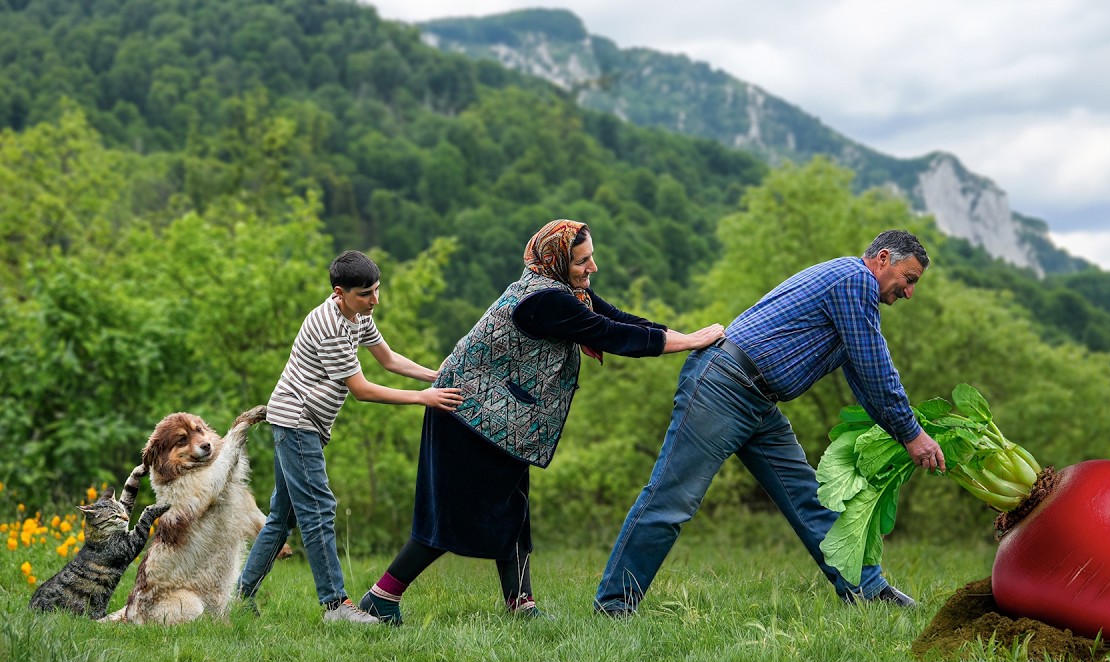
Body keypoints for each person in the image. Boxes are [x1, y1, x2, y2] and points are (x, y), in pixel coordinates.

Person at [357, 219, 724, 624]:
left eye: (591, 257)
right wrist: (690, 342)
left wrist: (689, 334)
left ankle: (521, 603)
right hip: (465, 413)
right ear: (557, 260)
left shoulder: (563, 290)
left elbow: (621, 319)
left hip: (502, 418)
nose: (593, 267)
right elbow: (611, 336)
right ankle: (381, 598)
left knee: (512, 506)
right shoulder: (546, 300)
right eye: (583, 260)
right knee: (453, 513)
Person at [594, 229, 946, 616]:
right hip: (724, 387)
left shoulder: (852, 291)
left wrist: (902, 431)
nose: (909, 292)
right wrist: (913, 434)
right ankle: (613, 605)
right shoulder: (854, 280)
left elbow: (864, 378)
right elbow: (876, 368)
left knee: (808, 497)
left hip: (757, 400)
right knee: (672, 498)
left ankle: (867, 589)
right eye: (908, 280)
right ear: (882, 259)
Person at [238, 251, 463, 624]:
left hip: (297, 420)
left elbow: (388, 360)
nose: (375, 300)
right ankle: (335, 606)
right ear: (340, 293)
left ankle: (238, 597)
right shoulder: (330, 326)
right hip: (297, 421)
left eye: (376, 290)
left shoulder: (358, 316)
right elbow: (361, 389)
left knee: (282, 516)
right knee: (319, 510)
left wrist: (435, 377)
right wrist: (423, 399)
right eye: (365, 294)